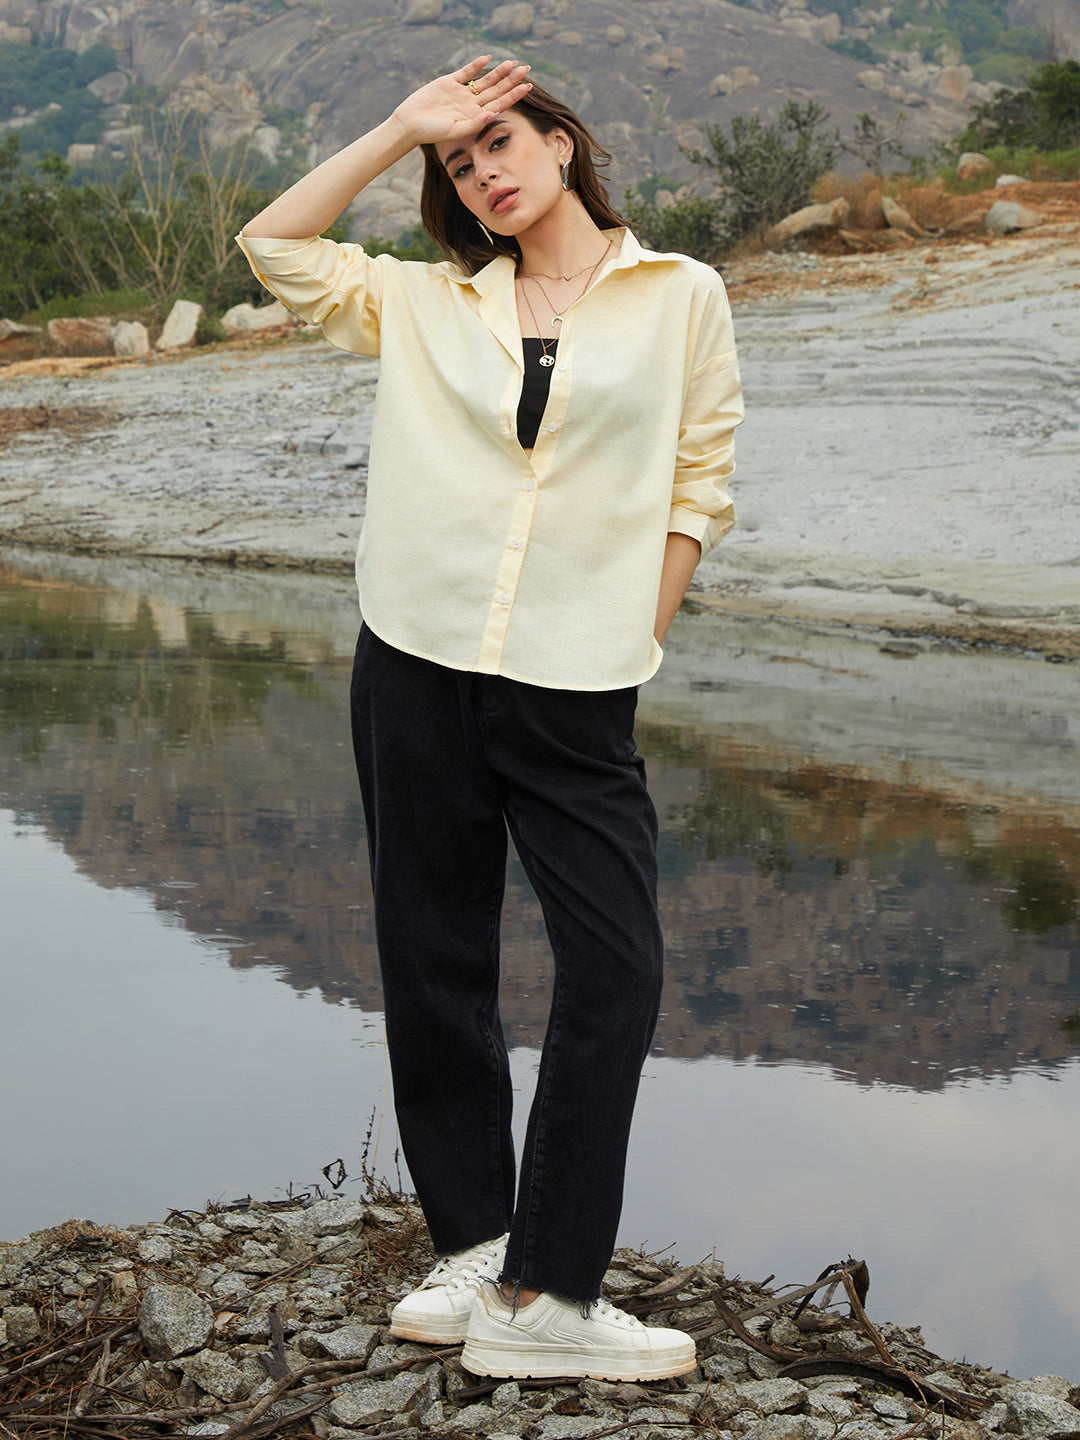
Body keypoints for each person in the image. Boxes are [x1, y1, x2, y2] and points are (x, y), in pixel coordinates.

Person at [238, 54, 743, 1382]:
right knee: (433, 952)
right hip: (415, 656)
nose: (485, 173)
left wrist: (638, 634)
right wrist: (398, 125)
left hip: (579, 678)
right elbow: (274, 246)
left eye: (501, 143)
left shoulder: (679, 293)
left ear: (561, 143)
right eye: (460, 165)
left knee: (617, 968)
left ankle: (546, 1292)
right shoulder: (423, 302)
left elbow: (701, 477)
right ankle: (476, 1249)